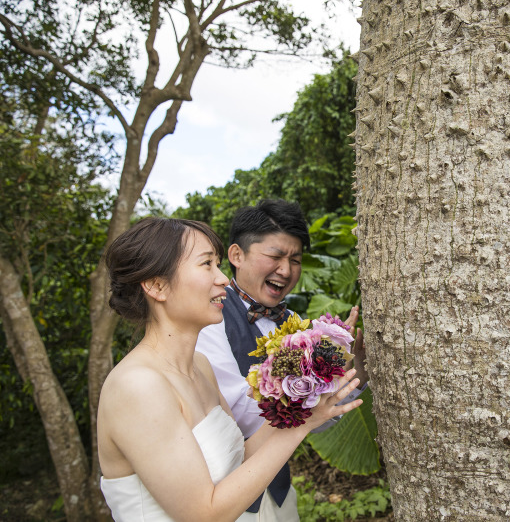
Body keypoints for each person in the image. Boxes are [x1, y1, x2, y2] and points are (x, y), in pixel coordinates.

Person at [97, 217, 362, 521]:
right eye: (206, 264)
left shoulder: (200, 366)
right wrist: (299, 426)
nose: (223, 279)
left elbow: (242, 457)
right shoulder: (137, 386)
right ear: (157, 285)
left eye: (218, 265)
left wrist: (311, 394)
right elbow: (203, 514)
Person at [196, 199, 368, 521]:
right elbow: (239, 416)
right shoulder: (208, 318)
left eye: (295, 260)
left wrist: (353, 370)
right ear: (236, 255)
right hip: (229, 497)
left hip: (279, 492)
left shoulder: (294, 322)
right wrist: (315, 391)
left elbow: (317, 421)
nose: (286, 270)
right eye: (275, 256)